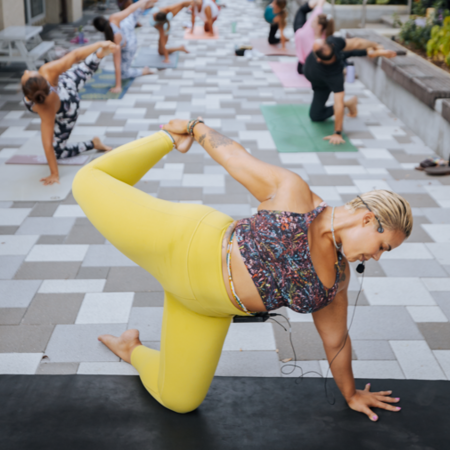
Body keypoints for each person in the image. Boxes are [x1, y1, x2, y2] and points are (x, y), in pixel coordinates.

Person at [73, 118, 412, 421]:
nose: (378, 258)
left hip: (204, 309)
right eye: (383, 246)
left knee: (180, 401)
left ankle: (130, 348)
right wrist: (193, 128)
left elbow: (336, 340)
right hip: (183, 243)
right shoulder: (295, 194)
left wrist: (351, 394)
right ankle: (164, 137)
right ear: (368, 220)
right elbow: (235, 157)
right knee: (87, 182)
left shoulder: (336, 281)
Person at [21, 41, 118, 186]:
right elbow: (75, 55)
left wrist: (54, 174)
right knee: (83, 70)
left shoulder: (45, 105)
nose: (26, 71)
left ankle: (93, 144)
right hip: (64, 83)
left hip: (68, 108)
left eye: (29, 72)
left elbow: (48, 145)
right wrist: (99, 43)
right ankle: (99, 54)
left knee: (58, 153)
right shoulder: (46, 72)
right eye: (28, 73)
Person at [303, 36, 397, 145]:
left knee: (315, 116)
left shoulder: (335, 77)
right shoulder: (332, 44)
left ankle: (348, 103)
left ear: (318, 59)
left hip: (322, 85)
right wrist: (375, 45)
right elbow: (356, 43)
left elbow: (338, 104)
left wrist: (337, 132)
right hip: (318, 80)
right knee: (347, 52)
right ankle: (372, 52)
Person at [93, 0, 155, 94]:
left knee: (124, 74)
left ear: (101, 31)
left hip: (130, 43)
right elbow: (130, 9)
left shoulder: (113, 38)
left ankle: (144, 71)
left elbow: (117, 63)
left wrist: (118, 86)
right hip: (128, 36)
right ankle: (145, 5)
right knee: (132, 14)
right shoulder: (113, 18)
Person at [293, 0, 334, 75]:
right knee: (302, 11)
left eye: (314, 21)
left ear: (319, 26)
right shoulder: (314, 25)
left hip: (302, 36)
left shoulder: (323, 41)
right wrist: (319, 3)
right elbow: (318, 9)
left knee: (300, 70)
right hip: (300, 31)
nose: (311, 21)